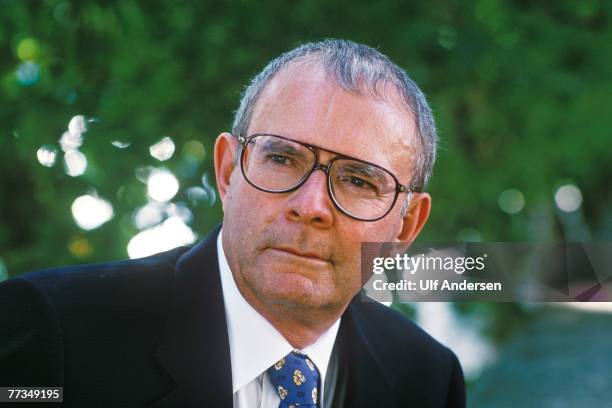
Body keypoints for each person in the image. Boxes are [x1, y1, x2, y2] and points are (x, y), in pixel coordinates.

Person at [0, 39, 465, 407]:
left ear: (406, 226)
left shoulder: (427, 377)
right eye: (282, 157)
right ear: (227, 171)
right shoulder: (55, 333)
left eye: (359, 181)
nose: (311, 205)